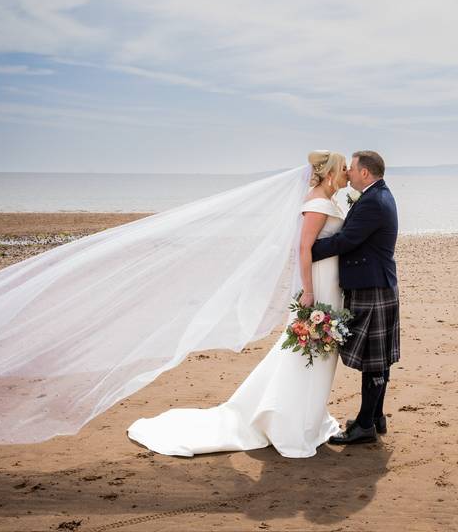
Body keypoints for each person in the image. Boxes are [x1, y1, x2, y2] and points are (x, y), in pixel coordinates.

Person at [126, 151, 351, 457]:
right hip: (319, 285)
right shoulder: (317, 204)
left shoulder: (326, 200)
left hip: (329, 282)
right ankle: (286, 419)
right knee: (306, 352)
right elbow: (303, 248)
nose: (347, 173)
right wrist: (309, 291)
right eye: (343, 169)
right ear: (329, 173)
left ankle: (305, 415)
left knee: (313, 353)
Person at [311, 150, 399, 445]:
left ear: (365, 173)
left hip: (372, 286)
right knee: (379, 357)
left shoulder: (374, 201)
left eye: (352, 168)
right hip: (377, 284)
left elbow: (347, 240)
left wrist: (310, 251)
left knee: (375, 359)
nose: (347, 173)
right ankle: (374, 417)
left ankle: (364, 425)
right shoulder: (378, 196)